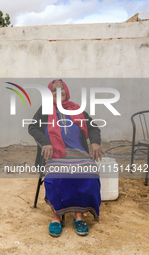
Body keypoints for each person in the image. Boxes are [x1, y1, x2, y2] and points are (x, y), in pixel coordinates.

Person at [28, 79, 105, 237]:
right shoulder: (45, 109)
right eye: (54, 90)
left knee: (89, 174)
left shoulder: (77, 109)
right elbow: (33, 127)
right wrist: (45, 143)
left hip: (78, 151)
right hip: (54, 153)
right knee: (56, 176)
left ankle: (79, 215)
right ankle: (56, 216)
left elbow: (92, 126)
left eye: (61, 89)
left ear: (66, 91)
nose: (59, 92)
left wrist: (95, 142)